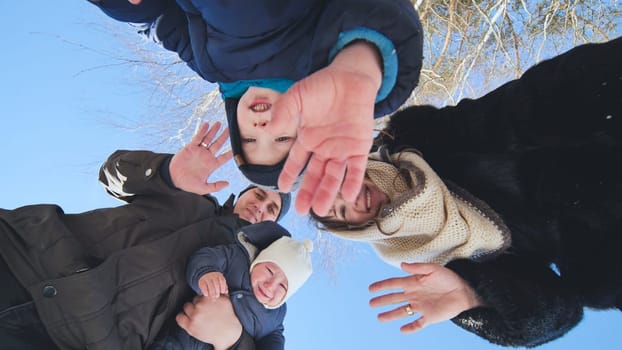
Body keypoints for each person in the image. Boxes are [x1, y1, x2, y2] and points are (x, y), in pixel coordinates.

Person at [310, 37, 622, 347]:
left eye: (338, 188)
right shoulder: (436, 260)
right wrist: (472, 293)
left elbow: (523, 105)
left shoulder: (423, 142)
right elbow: (560, 313)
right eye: (341, 212)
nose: (349, 199)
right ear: (354, 229)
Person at [86, 0, 424, 216]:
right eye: (281, 139)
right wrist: (361, 66)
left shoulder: (213, 70)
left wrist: (130, 6)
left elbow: (160, 23)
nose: (263, 130)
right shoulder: (314, 53)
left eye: (249, 141)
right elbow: (377, 13)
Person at [0, 122, 292, 350]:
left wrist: (231, 339)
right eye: (259, 194)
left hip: (79, 338)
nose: (260, 207)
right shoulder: (193, 194)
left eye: (272, 209)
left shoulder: (252, 283)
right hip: (28, 252)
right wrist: (166, 173)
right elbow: (110, 172)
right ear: (243, 192)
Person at [151, 235, 313, 350]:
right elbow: (206, 256)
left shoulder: (276, 316)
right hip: (181, 337)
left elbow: (273, 340)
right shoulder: (237, 259)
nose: (270, 285)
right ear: (259, 261)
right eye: (269, 270)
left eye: (283, 287)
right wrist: (206, 272)